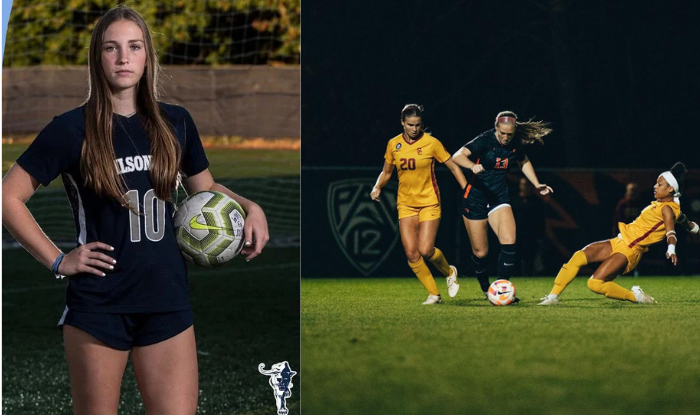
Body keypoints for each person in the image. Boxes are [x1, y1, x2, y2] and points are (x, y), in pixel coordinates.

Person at [1, 6, 269, 414]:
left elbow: (206, 188)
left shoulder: (175, 122)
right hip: (99, 305)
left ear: (147, 56)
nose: (124, 58)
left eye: (134, 46)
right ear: (98, 58)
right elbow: (8, 197)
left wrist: (251, 207)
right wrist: (58, 260)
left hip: (167, 299)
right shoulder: (71, 128)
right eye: (112, 48)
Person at [539, 162, 698, 305]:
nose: (655, 186)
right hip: (619, 240)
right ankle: (553, 297)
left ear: (670, 188)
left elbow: (671, 231)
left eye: (660, 184)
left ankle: (635, 297)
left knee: (594, 284)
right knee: (578, 256)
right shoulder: (666, 206)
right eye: (656, 183)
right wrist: (694, 227)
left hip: (629, 250)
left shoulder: (667, 209)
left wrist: (671, 248)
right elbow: (685, 221)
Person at [370, 104, 467, 305]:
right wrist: (377, 186)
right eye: (410, 125)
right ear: (402, 123)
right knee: (411, 253)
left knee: (426, 250)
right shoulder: (393, 144)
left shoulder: (432, 143)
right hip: (406, 203)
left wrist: (466, 189)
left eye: (418, 125)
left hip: (429, 202)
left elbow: (453, 167)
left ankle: (449, 272)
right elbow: (387, 172)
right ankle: (434, 294)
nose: (414, 129)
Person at [452, 111, 553, 297]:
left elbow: (523, 161)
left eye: (510, 134)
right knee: (481, 253)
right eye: (502, 133)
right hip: (475, 198)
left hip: (499, 198)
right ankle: (485, 287)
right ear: (496, 127)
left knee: (509, 242)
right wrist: (471, 165)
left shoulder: (515, 143)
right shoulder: (484, 140)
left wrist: (536, 183)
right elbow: (457, 156)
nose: (506, 138)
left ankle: (501, 290)